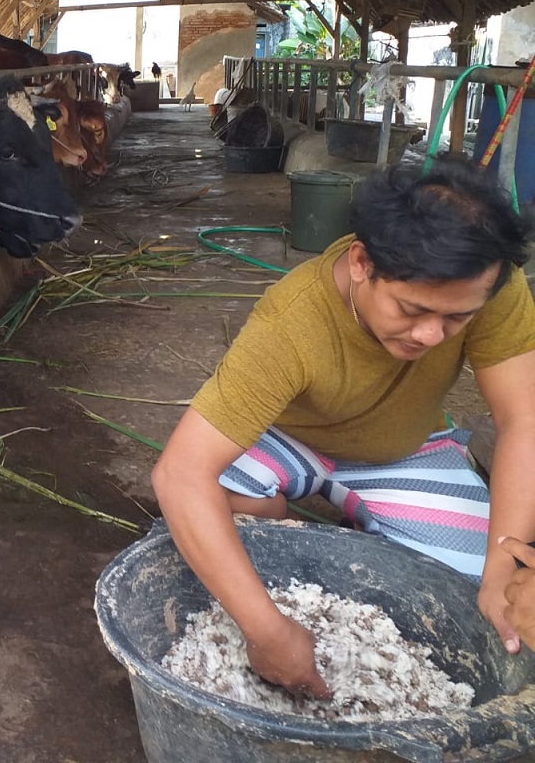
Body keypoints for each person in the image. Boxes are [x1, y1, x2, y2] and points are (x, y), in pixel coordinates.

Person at [152, 155, 535, 699]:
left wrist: (503, 560)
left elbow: (523, 421)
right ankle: (279, 514)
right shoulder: (292, 321)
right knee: (194, 521)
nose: (430, 335)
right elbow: (179, 474)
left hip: (405, 449)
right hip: (289, 440)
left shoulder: (487, 284)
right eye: (411, 308)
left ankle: (371, 513)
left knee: (485, 590)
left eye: (456, 320)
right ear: (360, 262)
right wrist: (267, 631)